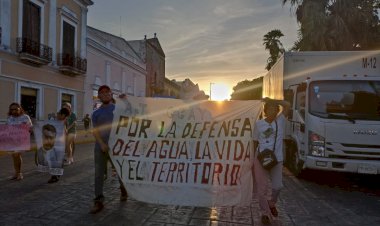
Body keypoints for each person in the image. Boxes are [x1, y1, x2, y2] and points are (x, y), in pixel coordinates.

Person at [90, 85, 128, 214]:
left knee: (120, 170)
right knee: (98, 174)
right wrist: (101, 144)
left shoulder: (117, 109)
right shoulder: (96, 113)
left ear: (111, 94)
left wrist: (125, 101)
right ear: (99, 96)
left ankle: (123, 189)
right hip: (100, 147)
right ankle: (98, 200)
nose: (105, 94)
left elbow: (131, 112)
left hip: (116, 147)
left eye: (107, 92)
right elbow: (95, 131)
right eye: (102, 93)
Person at [252, 98, 290, 225]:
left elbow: (287, 105)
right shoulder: (258, 124)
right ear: (265, 111)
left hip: (276, 159)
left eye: (275, 109)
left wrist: (271, 100)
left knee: (277, 186)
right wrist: (252, 159)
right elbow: (254, 142)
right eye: (270, 109)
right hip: (261, 159)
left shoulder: (281, 121)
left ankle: (272, 203)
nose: (272, 111)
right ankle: (265, 213)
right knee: (261, 189)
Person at [6, 103, 33, 180]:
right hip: (11, 140)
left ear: (20, 109)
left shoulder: (25, 117)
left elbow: (30, 128)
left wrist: (26, 130)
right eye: (12, 109)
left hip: (21, 140)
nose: (13, 111)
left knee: (17, 155)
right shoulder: (9, 118)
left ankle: (19, 173)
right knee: (14, 157)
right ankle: (16, 173)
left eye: (15, 109)